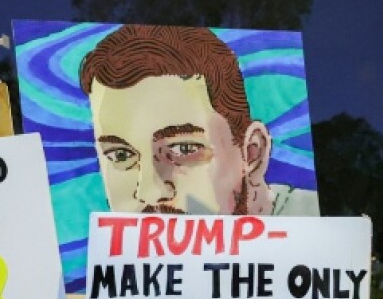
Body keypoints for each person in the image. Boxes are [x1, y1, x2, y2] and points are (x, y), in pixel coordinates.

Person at [79, 25, 317, 216]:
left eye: (183, 149)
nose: (150, 193)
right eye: (121, 155)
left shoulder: (322, 227)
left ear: (252, 153)